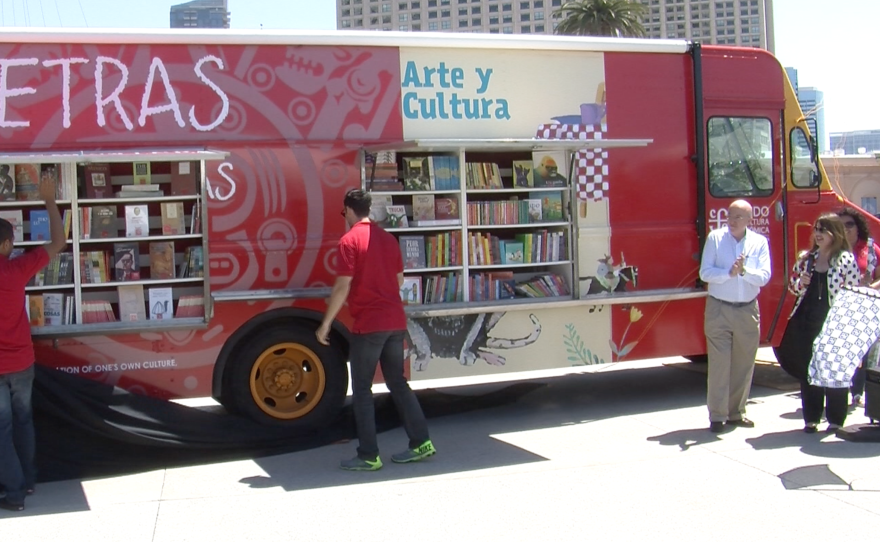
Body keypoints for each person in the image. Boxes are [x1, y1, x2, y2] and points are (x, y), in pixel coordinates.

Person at [316, 188, 434, 471]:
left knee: (363, 391)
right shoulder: (389, 239)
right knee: (398, 383)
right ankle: (421, 443)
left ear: (348, 210)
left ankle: (369, 455)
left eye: (344, 212)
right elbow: (398, 280)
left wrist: (325, 323)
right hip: (395, 322)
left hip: (369, 326)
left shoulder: (349, 241)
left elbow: (343, 285)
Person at [0, 175, 67, 512]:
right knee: (23, 422)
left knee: (2, 429)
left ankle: (13, 493)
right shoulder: (17, 269)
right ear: (7, 246)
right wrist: (49, 201)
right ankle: (26, 483)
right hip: (22, 362)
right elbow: (58, 242)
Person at [776, 213, 861, 433]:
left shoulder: (844, 259)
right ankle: (811, 418)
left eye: (824, 230)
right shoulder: (806, 258)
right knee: (809, 370)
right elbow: (792, 287)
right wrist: (800, 282)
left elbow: (853, 292)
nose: (818, 234)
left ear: (835, 233)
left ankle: (835, 420)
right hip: (806, 319)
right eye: (816, 229)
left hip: (834, 321)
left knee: (834, 370)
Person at [699, 200, 771, 433]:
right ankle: (717, 416)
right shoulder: (715, 239)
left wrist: (745, 272)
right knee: (720, 364)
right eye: (730, 215)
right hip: (719, 307)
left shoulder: (759, 243)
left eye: (738, 217)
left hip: (747, 309)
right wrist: (728, 273)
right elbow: (705, 272)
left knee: (743, 364)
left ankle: (736, 413)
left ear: (749, 220)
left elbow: (764, 276)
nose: (732, 220)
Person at [836, 207, 880, 407]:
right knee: (844, 351)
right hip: (840, 306)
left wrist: (871, 287)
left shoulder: (869, 248)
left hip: (866, 304)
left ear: (858, 226)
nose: (846, 229)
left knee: (864, 351)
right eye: (842, 225)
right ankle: (841, 392)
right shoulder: (834, 249)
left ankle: (858, 392)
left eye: (850, 224)